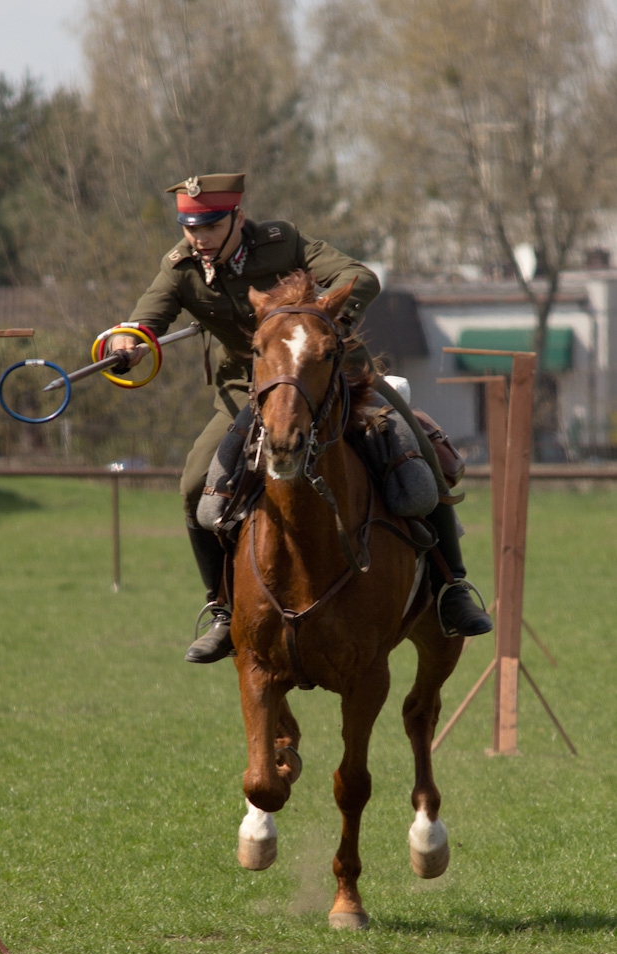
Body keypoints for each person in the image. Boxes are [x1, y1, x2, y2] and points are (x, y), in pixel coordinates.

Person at [109, 172, 492, 663]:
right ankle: (223, 610)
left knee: (415, 445)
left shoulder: (283, 242)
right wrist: (129, 342)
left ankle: (451, 587)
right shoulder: (181, 267)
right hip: (248, 393)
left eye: (209, 226)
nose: (198, 238)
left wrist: (319, 317)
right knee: (192, 486)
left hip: (332, 378)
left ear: (237, 219)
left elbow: (363, 277)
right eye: (190, 227)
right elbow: (146, 318)